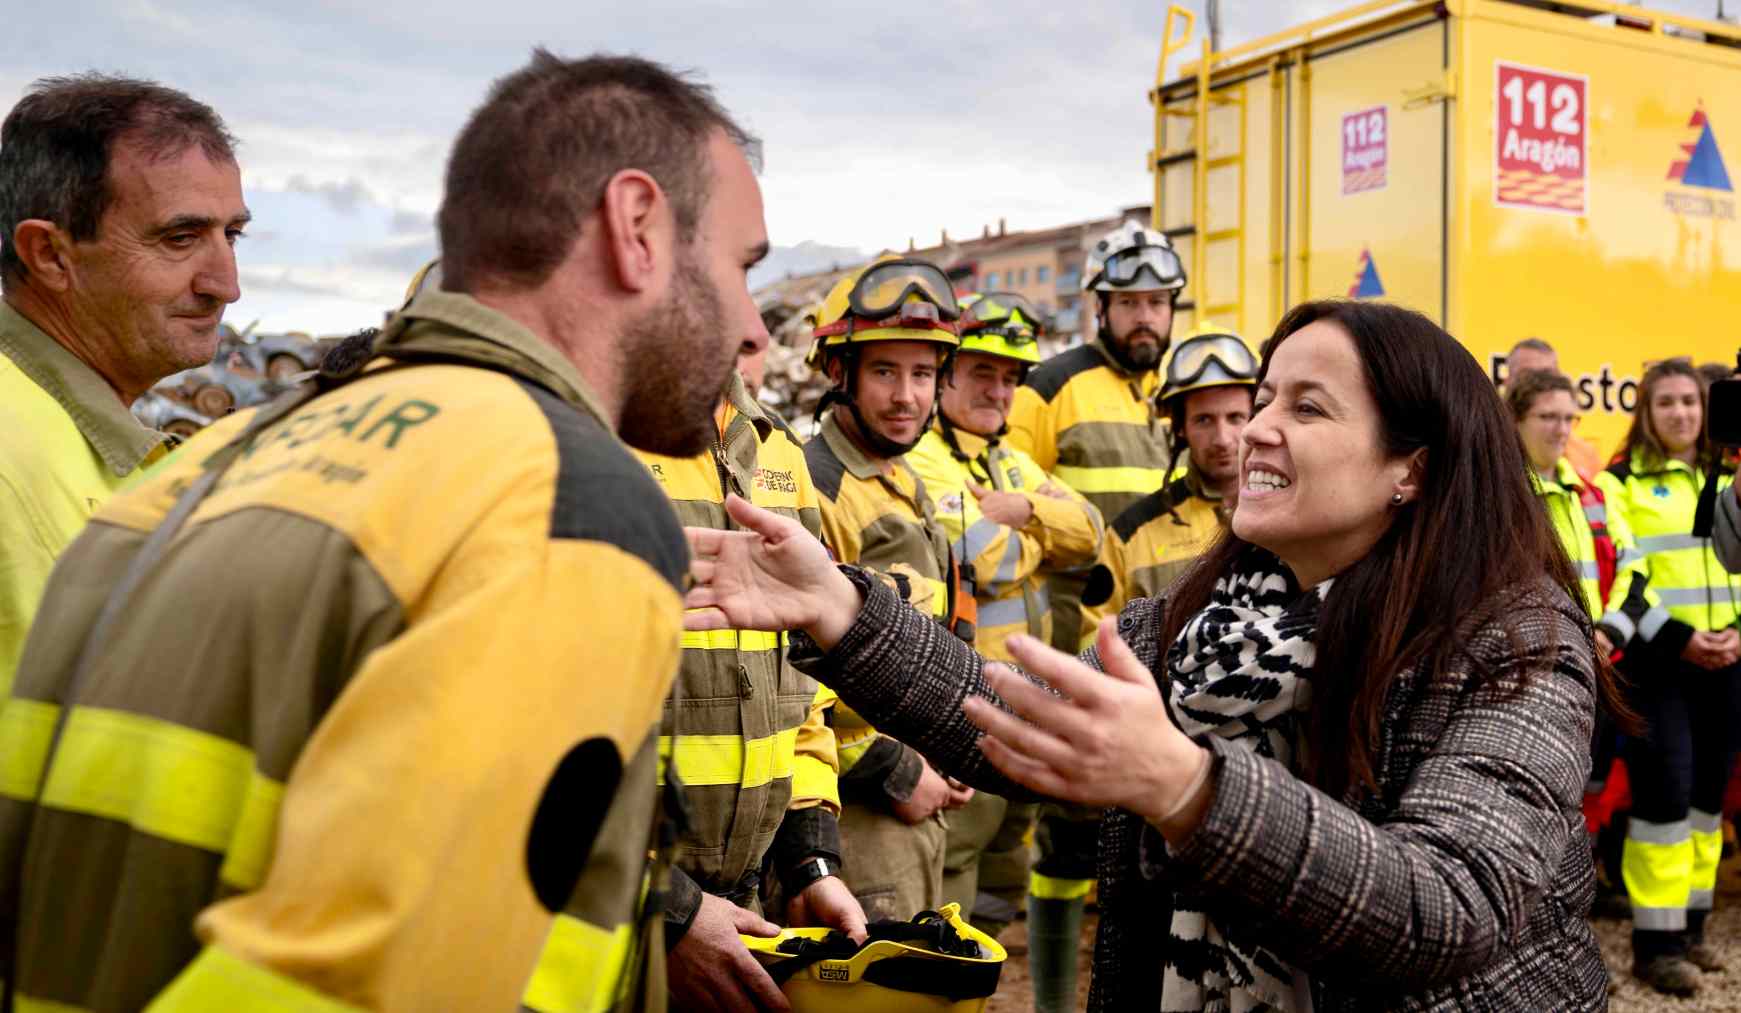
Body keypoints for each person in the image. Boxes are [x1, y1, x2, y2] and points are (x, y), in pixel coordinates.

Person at [0, 51, 768, 1010]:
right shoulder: (559, 498)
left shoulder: (224, 454)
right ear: (636, 227)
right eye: (741, 266)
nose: (755, 330)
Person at [685, 298, 1625, 1011]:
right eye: (1261, 399)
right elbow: (1017, 721)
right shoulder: (1195, 619)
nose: (1254, 429)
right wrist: (839, 609)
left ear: (1411, 465)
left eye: (1306, 408)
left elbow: (1446, 906)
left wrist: (1185, 790)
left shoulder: (1513, 640)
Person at [0, 74, 247, 698]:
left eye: (232, 235)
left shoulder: (95, 441)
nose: (225, 282)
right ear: (51, 255)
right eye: (180, 238)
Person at [636, 354, 867, 1011]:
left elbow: (799, 676)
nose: (759, 329)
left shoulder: (774, 446)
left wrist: (808, 858)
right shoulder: (592, 437)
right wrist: (672, 909)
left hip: (743, 908)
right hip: (617, 913)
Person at [906, 292, 1103, 952]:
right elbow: (984, 558)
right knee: (955, 862)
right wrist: (1035, 525)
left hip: (1027, 706)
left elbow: (1091, 533)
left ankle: (978, 977)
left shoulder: (1010, 464)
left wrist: (1019, 506)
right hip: (965, 704)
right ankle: (943, 981)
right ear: (947, 377)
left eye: (1010, 378)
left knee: (1006, 864)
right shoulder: (923, 458)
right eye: (983, 373)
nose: (998, 390)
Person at [801, 256, 976, 925]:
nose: (907, 395)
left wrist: (950, 743)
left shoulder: (900, 478)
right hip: (861, 813)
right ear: (838, 373)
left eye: (923, 373)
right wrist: (896, 773)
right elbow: (794, 673)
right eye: (884, 371)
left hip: (920, 793)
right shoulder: (815, 489)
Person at [1595, 357, 1741, 997]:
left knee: (1708, 801)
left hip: (1729, 660)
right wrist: (1684, 641)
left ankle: (1692, 928)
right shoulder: (1618, 483)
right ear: (1646, 413)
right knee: (1664, 800)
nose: (1681, 413)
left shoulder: (1729, 476)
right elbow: (1628, 579)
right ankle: (1655, 946)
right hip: (1659, 667)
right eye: (1667, 403)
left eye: (1690, 401)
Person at [1007, 220, 1184, 653]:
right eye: (1128, 302)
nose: (1144, 317)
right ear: (1101, 307)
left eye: (1156, 302)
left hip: (1171, 629)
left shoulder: (1181, 390)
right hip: (1074, 635)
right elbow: (1005, 506)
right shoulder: (1049, 387)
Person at [1085, 323, 1256, 628]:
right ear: (1180, 427)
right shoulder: (1130, 535)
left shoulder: (1295, 517)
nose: (1222, 438)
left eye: (1235, 418)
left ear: (1256, 418)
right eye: (1204, 420)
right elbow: (1098, 642)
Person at [1501, 337, 1602, 478]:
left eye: (1548, 376)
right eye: (1527, 376)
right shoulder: (1483, 443)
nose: (1539, 385)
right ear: (1507, 381)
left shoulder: (1585, 456)